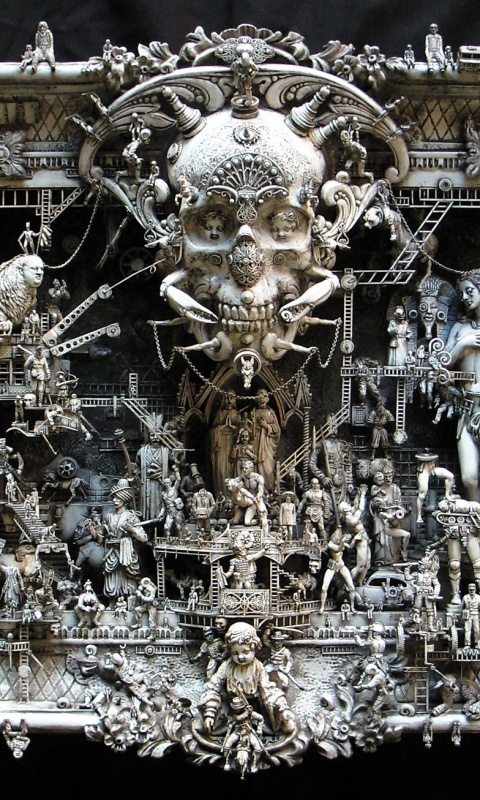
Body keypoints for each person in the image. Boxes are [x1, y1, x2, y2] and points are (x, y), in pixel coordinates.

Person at [445, 269, 480, 500]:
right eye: (462, 294)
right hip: (467, 410)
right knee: (469, 478)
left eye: (470, 291)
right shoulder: (461, 328)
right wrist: (463, 344)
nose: (465, 297)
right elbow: (442, 364)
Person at [102, 479, 147, 600]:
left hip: (126, 554)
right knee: (112, 581)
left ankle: (130, 601)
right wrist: (104, 536)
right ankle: (112, 601)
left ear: (124, 499)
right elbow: (101, 537)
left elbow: (144, 538)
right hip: (112, 554)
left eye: (118, 498)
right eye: (114, 498)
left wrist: (132, 529)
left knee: (129, 581)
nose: (114, 501)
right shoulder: (109, 517)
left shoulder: (131, 517)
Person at [210, 390, 241, 497]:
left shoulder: (237, 414)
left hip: (233, 444)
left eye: (232, 398)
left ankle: (234, 497)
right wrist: (222, 427)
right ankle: (221, 495)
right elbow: (211, 432)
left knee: (234, 470)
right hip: (220, 445)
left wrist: (233, 428)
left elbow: (243, 431)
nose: (229, 400)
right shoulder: (220, 414)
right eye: (227, 398)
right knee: (221, 470)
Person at [251, 389, 280, 494]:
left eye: (263, 397)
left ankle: (268, 492)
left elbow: (277, 430)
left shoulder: (271, 412)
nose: (261, 400)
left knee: (268, 469)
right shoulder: (253, 412)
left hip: (267, 444)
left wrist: (266, 426)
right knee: (254, 466)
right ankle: (255, 492)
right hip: (255, 443)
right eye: (259, 397)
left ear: (267, 399)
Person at [462, 583, 480, 649]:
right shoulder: (465, 597)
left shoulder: (478, 597)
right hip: (468, 615)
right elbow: (462, 607)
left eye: (473, 590)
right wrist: (464, 614)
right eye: (470, 590)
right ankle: (467, 644)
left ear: (475, 590)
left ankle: (477, 643)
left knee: (476, 630)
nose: (472, 591)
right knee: (467, 630)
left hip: (476, 615)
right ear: (468, 590)